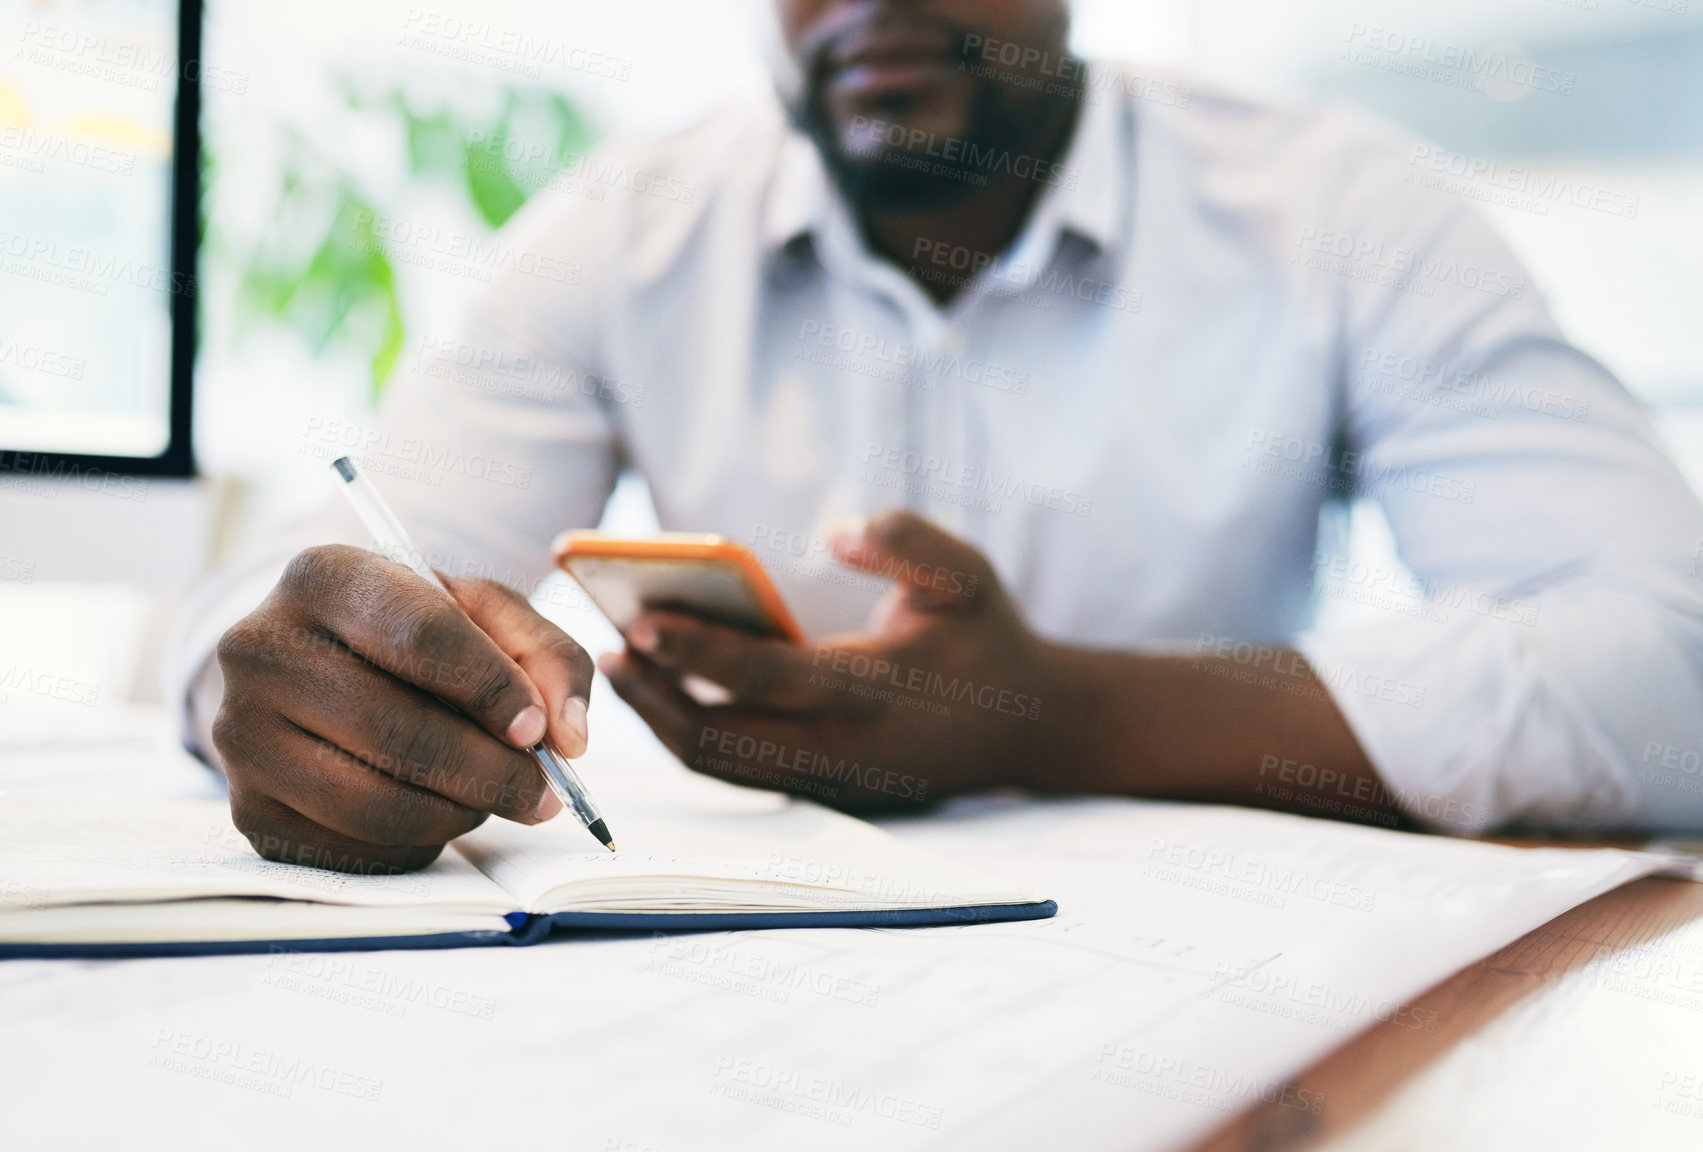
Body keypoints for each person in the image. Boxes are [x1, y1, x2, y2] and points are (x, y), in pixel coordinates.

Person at [173, 0, 1703, 874]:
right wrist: (300, 670)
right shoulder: (622, 230)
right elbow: (304, 587)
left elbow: (1675, 666)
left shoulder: (1340, 212)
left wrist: (1064, 715)